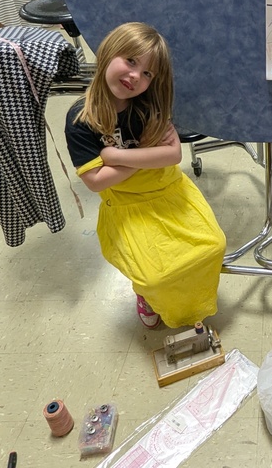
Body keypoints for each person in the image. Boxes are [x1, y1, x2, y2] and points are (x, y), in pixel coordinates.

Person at [64, 23, 225, 329]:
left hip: (170, 191)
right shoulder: (81, 119)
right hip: (127, 204)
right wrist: (147, 155)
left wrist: (115, 157)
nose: (136, 76)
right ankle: (146, 294)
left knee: (213, 245)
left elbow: (173, 155)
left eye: (148, 73)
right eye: (131, 61)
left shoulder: (148, 106)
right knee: (153, 274)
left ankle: (187, 298)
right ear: (109, 52)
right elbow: (96, 180)